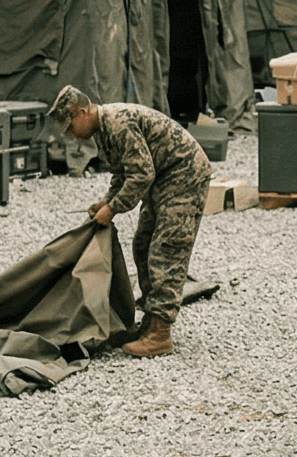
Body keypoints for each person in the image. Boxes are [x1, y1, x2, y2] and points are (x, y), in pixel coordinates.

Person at [52, 86, 209, 357]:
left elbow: (141, 174)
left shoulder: (117, 122)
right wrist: (107, 201)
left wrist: (113, 209)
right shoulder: (102, 131)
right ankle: (150, 322)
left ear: (83, 112)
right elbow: (123, 173)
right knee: (143, 244)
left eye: (70, 125)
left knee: (166, 250)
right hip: (163, 180)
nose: (69, 133)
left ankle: (161, 333)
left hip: (183, 177)